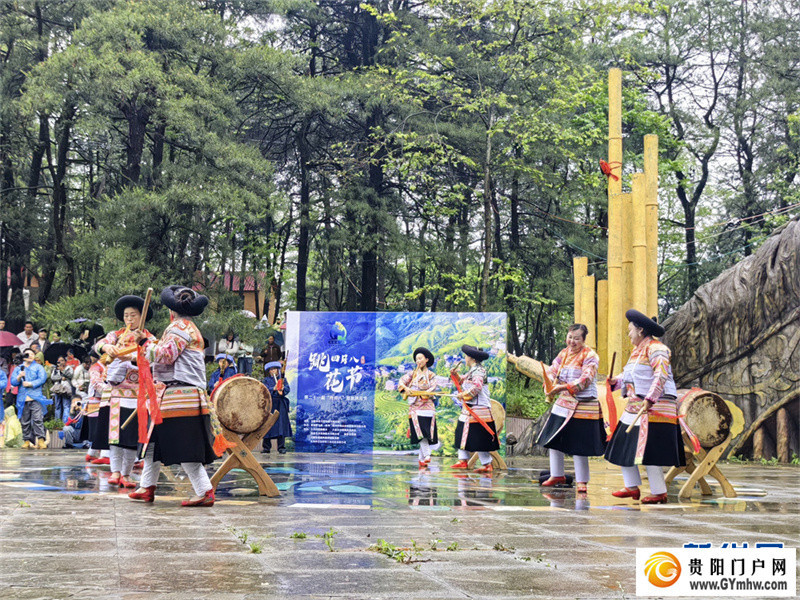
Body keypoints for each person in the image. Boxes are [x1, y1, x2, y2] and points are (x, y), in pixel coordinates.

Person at [130, 285, 222, 507]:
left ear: (171, 311)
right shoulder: (188, 327)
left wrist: (144, 342)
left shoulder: (177, 328)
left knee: (184, 446)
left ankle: (205, 490)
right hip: (175, 394)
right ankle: (147, 486)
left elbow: (166, 355)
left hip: (181, 395)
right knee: (154, 442)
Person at [603, 309, 686, 504]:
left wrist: (651, 398)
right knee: (622, 443)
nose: (629, 333)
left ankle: (659, 492)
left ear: (640, 330)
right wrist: (615, 381)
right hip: (636, 405)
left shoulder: (658, 349)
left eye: (630, 330)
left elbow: (661, 374)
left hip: (656, 406)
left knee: (651, 450)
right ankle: (631, 486)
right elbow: (631, 376)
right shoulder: (637, 352)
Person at [95, 295, 156, 488]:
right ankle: (114, 472)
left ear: (141, 317)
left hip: (137, 393)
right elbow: (99, 346)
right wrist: (108, 347)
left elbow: (154, 358)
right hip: (116, 393)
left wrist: (132, 358)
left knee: (131, 437)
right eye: (126, 316)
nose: (129, 319)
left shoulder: (148, 338)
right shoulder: (117, 334)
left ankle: (127, 474)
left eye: (133, 315)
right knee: (115, 435)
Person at [536, 324, 604, 493]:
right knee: (553, 438)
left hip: (584, 403)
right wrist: (549, 383)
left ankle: (582, 481)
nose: (572, 341)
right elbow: (552, 370)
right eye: (570, 337)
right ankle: (556, 474)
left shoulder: (591, 355)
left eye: (576, 338)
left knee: (579, 445)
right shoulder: (563, 353)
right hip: (564, 402)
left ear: (583, 339)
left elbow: (585, 379)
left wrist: (561, 388)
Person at [450, 345, 499, 473]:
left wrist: (463, 395)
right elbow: (463, 382)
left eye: (466, 356)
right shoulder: (473, 370)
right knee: (461, 431)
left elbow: (477, 387)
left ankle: (487, 464)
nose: (465, 358)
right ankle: (463, 461)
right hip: (470, 409)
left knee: (480, 437)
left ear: (471, 358)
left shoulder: (478, 371)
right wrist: (456, 376)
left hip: (478, 408)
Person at [397, 347, 439, 468]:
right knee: (419, 432)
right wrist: (406, 388)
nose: (418, 361)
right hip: (415, 408)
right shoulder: (412, 374)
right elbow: (401, 382)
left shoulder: (431, 375)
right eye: (416, 359)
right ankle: (427, 455)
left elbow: (433, 388)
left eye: (420, 358)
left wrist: (426, 393)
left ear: (426, 359)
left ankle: (422, 459)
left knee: (425, 433)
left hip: (428, 407)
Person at [11, 348, 52, 449]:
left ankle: (41, 440)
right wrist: (19, 377)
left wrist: (31, 383)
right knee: (25, 421)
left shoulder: (38, 367)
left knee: (38, 419)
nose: (30, 356)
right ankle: (27, 440)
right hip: (22, 398)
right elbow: (13, 382)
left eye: (32, 354)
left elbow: (42, 378)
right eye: (27, 354)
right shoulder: (18, 368)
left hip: (35, 397)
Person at [83, 352, 110, 464]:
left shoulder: (106, 366)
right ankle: (104, 454)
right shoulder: (95, 367)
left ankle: (92, 453)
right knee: (102, 429)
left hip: (104, 400)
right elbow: (96, 383)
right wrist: (111, 391)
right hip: (97, 401)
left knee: (101, 429)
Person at [261, 361, 291, 454]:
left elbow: (287, 388)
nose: (273, 371)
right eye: (271, 369)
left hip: (280, 404)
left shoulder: (283, 379)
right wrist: (273, 389)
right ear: (269, 371)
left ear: (278, 370)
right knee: (268, 425)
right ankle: (266, 447)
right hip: (270, 404)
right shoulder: (266, 380)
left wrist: (282, 389)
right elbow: (264, 390)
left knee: (281, 425)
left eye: (274, 369)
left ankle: (281, 447)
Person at [50, 356, 74, 423]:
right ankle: (57, 423)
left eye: (62, 360)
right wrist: (61, 377)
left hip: (66, 389)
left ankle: (65, 422)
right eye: (59, 361)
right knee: (57, 406)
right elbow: (53, 377)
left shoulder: (69, 368)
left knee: (66, 406)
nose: (61, 362)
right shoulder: (55, 369)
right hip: (57, 389)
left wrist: (63, 370)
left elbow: (70, 375)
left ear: (65, 361)